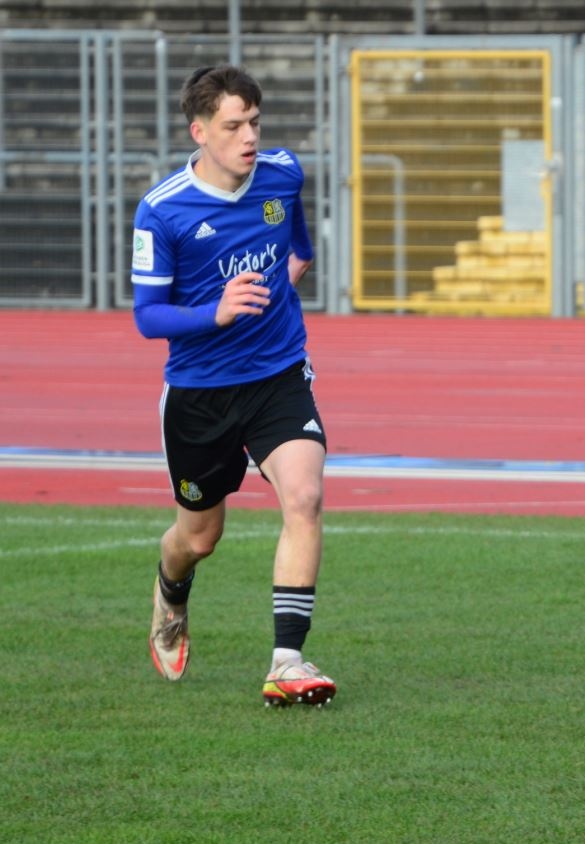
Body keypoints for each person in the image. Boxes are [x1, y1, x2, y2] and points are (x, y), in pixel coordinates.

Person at [131, 64, 335, 707]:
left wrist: (287, 277)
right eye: (232, 125)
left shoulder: (282, 173)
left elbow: (298, 245)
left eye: (254, 122)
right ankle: (170, 587)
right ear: (199, 131)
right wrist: (213, 313)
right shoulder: (162, 210)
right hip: (200, 393)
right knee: (199, 537)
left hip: (278, 376)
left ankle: (287, 662)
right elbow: (147, 316)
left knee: (304, 495)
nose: (249, 136)